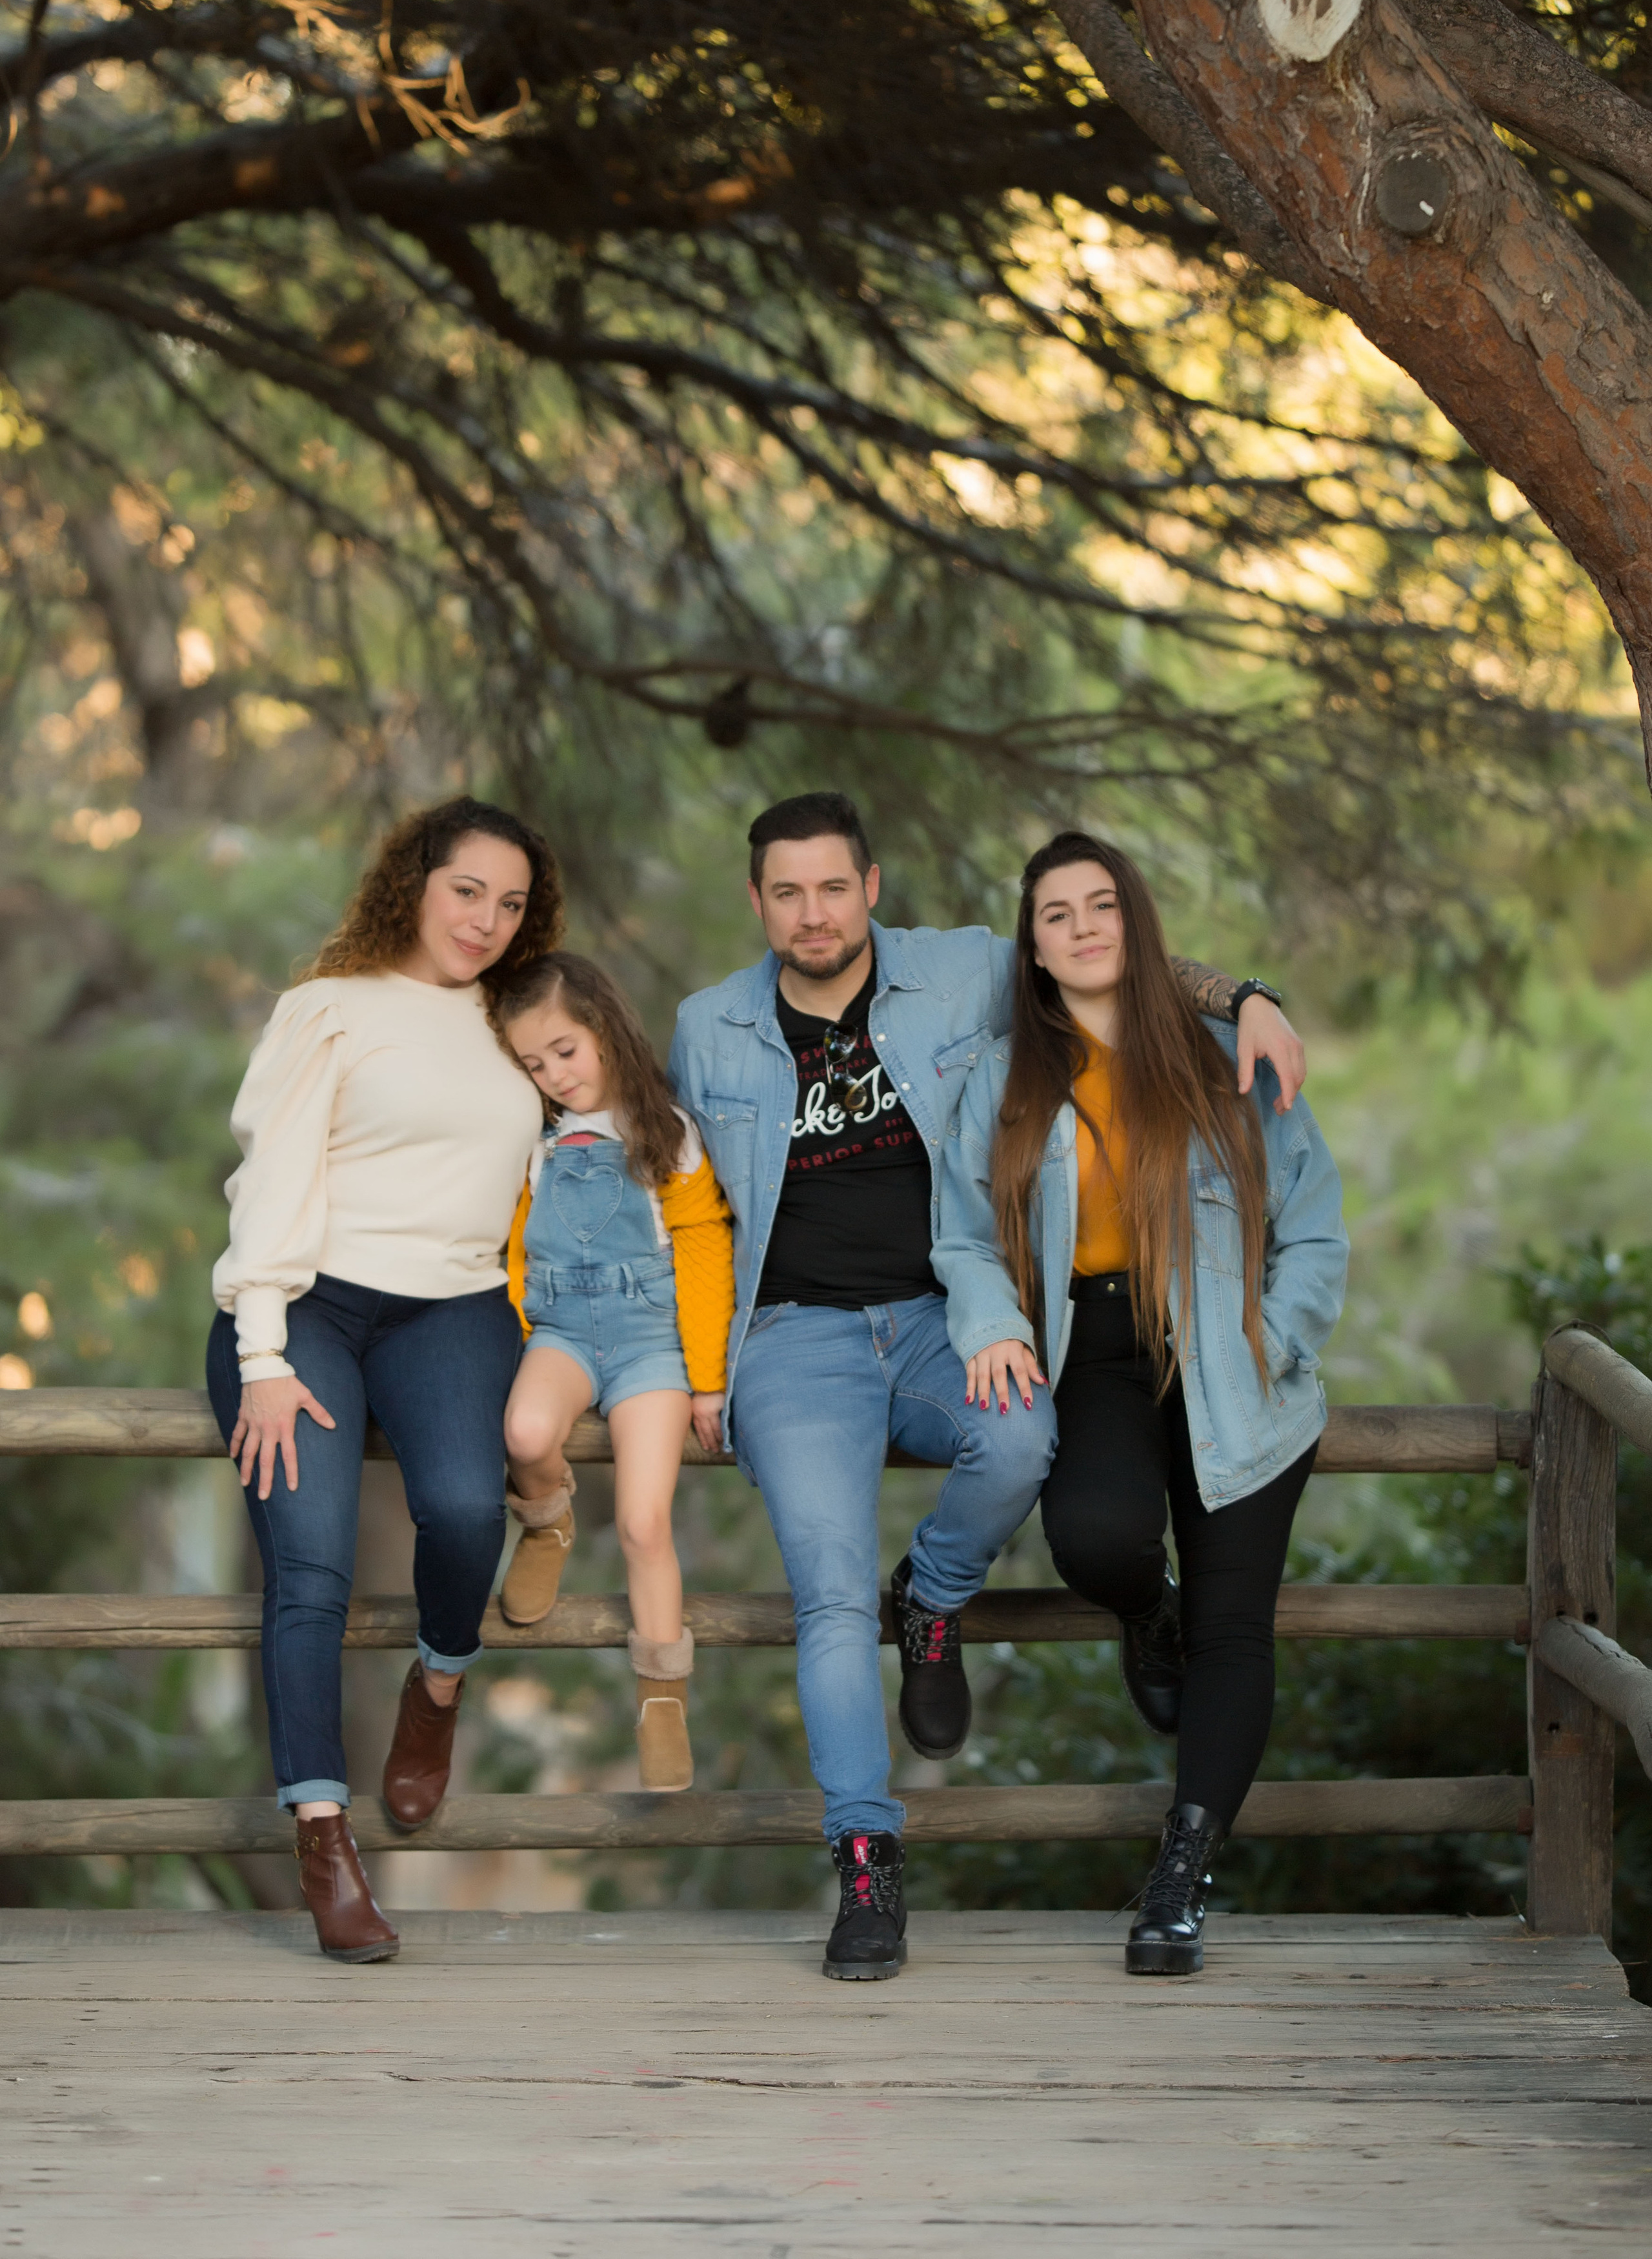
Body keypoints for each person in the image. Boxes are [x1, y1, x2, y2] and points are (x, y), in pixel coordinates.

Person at [667, 791, 1308, 1984]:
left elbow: (1108, 953)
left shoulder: (960, 972)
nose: (815, 913)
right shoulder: (707, 1031)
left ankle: (937, 1596)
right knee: (823, 1595)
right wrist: (688, 1369)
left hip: (940, 1322)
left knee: (1021, 1445)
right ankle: (867, 1863)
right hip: (790, 1341)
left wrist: (1251, 996)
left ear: (873, 888)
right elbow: (681, 1212)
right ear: (756, 903)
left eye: (834, 887)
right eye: (787, 893)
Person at [932, 830, 1347, 1978]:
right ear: (1034, 945)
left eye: (1100, 904)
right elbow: (961, 1236)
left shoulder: (1227, 1058)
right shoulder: (1006, 1078)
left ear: (1135, 919)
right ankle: (1143, 1610)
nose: (1081, 927)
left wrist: (1281, 1331)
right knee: (1096, 1539)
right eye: (1055, 914)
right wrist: (994, 1322)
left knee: (1236, 1631)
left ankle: (1182, 1871)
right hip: (1093, 1351)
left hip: (1233, 1358)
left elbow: (1313, 1222)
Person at [206, 797, 561, 1963]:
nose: (488, 921)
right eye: (469, 891)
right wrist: (262, 1356)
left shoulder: (518, 1022)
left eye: (511, 904)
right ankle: (323, 1832)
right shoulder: (330, 1010)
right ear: (415, 881)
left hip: (454, 1304)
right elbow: (269, 1181)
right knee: (308, 1568)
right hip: (306, 1300)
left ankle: (441, 1684)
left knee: (466, 1510)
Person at [490, 952, 736, 1791]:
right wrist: (523, 1323)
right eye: (534, 1064)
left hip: (650, 1348)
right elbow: (518, 1247)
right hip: (562, 1331)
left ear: (603, 1026)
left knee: (642, 1522)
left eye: (565, 1050)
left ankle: (662, 1694)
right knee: (523, 1431)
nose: (555, 1075)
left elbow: (704, 1254)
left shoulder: (666, 1132)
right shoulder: (536, 1141)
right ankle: (548, 1519)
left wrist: (707, 1378)